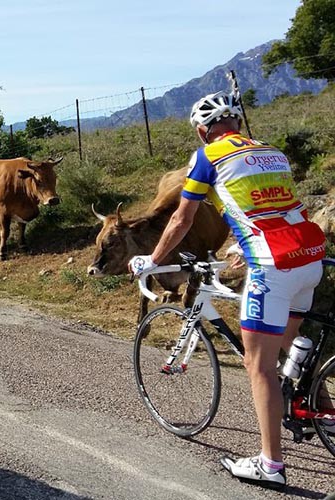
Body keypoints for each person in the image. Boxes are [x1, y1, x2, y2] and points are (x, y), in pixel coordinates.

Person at [128, 91, 328, 488]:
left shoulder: (207, 156)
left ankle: (270, 465)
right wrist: (240, 244)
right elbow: (275, 207)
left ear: (203, 131)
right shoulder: (269, 151)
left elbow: (182, 219)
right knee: (289, 343)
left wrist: (152, 259)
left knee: (259, 366)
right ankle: (325, 412)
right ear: (236, 123)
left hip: (272, 266)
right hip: (309, 256)